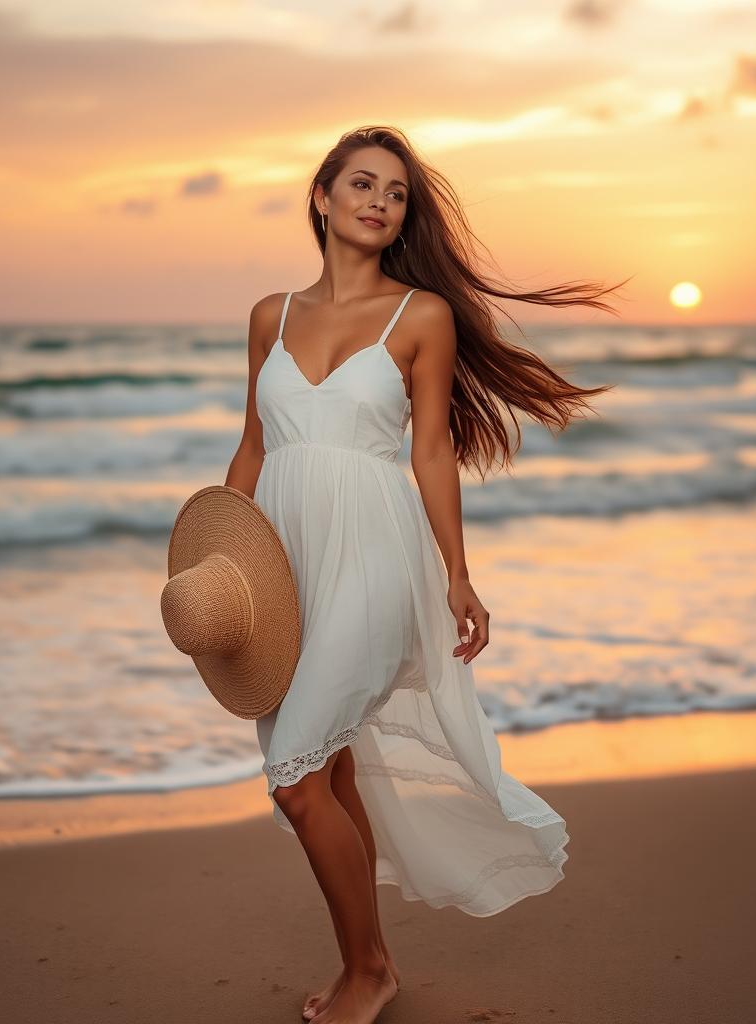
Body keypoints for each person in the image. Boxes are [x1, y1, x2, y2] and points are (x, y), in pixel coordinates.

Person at [224, 125, 625, 1024]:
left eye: (396, 192)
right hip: (283, 559)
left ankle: (369, 971)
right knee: (327, 774)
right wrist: (226, 559)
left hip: (373, 553)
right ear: (320, 197)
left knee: (295, 782)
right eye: (361, 184)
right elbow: (252, 446)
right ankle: (370, 963)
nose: (378, 201)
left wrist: (458, 574)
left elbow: (434, 451)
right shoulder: (269, 316)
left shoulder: (421, 317)